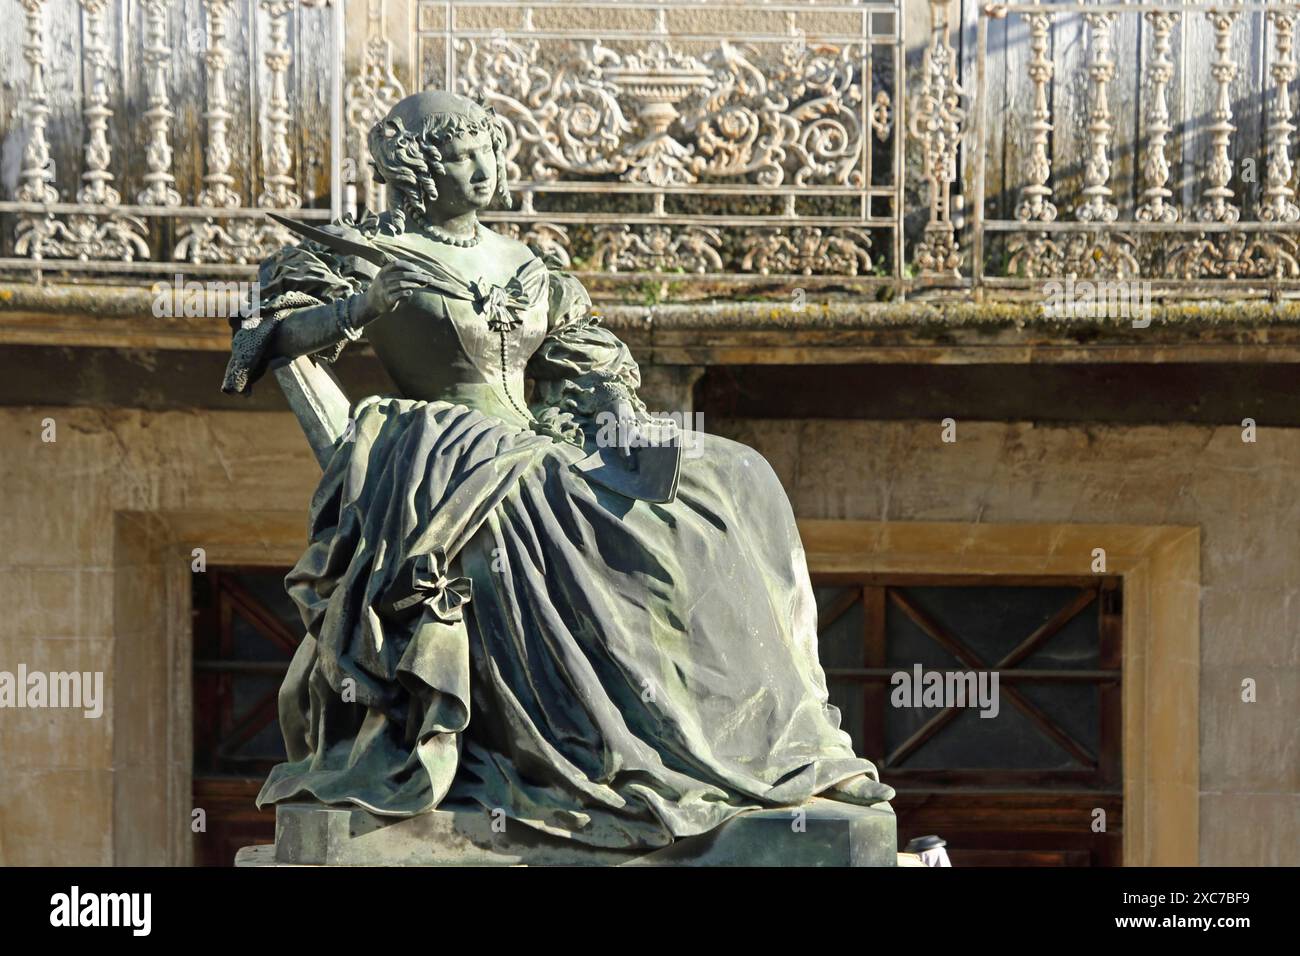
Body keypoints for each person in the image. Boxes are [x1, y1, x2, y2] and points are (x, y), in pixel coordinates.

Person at [222, 90, 893, 850]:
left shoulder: (526, 262)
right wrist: (357, 308)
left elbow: (586, 363)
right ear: (417, 171)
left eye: (489, 150)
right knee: (559, 513)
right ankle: (616, 748)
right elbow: (257, 345)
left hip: (548, 435)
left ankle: (778, 744)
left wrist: (623, 417)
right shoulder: (364, 253)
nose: (485, 168)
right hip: (448, 452)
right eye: (462, 156)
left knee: (732, 479)